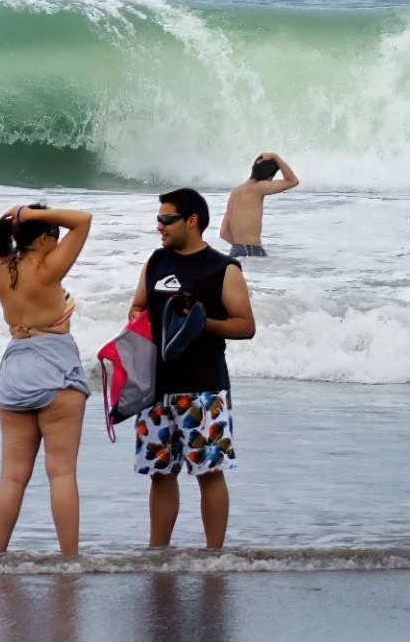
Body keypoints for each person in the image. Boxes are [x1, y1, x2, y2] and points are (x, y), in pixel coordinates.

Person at [127, 188, 256, 550]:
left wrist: (201, 321)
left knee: (209, 472)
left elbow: (245, 325)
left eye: (166, 219)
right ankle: (158, 553)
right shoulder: (156, 262)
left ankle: (214, 555)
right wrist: (139, 320)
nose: (159, 226)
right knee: (160, 473)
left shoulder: (222, 268)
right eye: (158, 219)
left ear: (192, 221)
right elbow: (137, 306)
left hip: (203, 388)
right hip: (156, 386)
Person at [0, 202, 95, 556]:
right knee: (61, 473)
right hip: (54, 368)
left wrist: (17, 220)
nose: (59, 239)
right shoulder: (47, 269)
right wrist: (30, 215)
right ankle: (69, 559)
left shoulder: (3, 265)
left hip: (16, 368)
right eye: (55, 235)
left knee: (12, 476)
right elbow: (84, 220)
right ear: (46, 237)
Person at [218, 152, 298, 259]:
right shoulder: (258, 188)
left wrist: (240, 248)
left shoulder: (235, 193)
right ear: (269, 177)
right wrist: (276, 157)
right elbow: (293, 181)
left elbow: (223, 233)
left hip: (236, 251)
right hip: (250, 250)